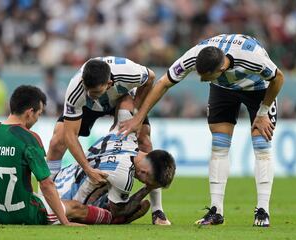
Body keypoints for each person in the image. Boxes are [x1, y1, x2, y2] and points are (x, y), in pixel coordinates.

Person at [118, 34, 285, 227]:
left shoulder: (252, 57)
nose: (201, 79)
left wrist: (263, 111)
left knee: (261, 144)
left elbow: (278, 78)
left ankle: (263, 211)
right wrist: (138, 118)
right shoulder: (195, 54)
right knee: (219, 145)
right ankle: (216, 211)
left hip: (260, 89)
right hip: (223, 87)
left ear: (221, 68)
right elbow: (163, 83)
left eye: (205, 75)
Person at [47, 56, 171, 224]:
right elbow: (70, 135)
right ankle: (48, 190)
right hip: (88, 106)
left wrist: (137, 115)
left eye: (96, 92)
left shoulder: (129, 72)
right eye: (89, 90)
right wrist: (87, 169)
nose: (92, 95)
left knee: (145, 141)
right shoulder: (77, 89)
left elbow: (151, 78)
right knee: (57, 140)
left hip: (120, 98)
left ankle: (158, 210)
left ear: (109, 83)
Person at [0, 85, 105, 226]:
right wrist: (65, 222)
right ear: (30, 112)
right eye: (39, 114)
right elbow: (46, 183)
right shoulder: (28, 138)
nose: (37, 119)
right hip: (25, 214)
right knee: (75, 207)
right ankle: (114, 217)